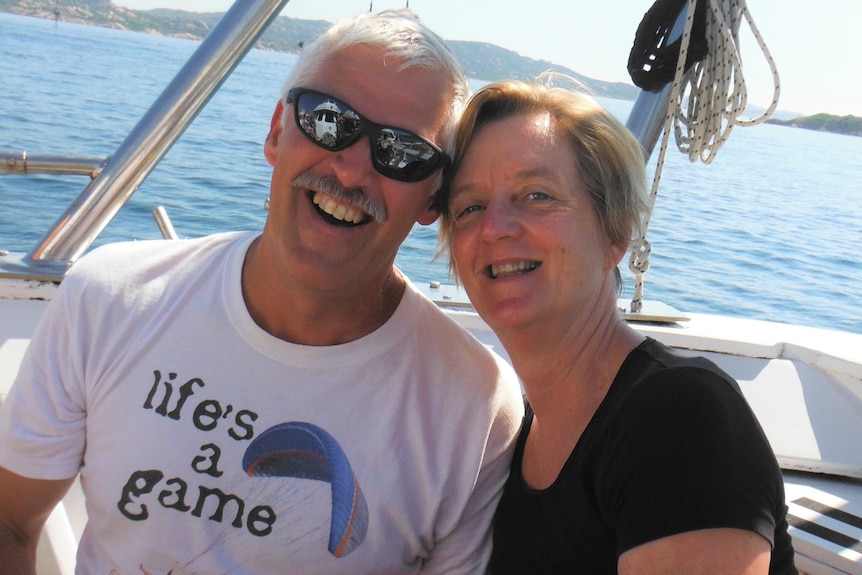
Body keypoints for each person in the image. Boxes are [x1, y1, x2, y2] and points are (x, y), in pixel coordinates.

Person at [0, 11, 524, 575]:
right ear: (278, 130)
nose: (350, 172)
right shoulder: (109, 298)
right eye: (328, 120)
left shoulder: (475, 405)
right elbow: (9, 521)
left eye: (400, 154)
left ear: (431, 200)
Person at [438, 79, 797, 574]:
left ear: (616, 234)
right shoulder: (515, 442)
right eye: (470, 207)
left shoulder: (680, 419)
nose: (495, 227)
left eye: (537, 195)